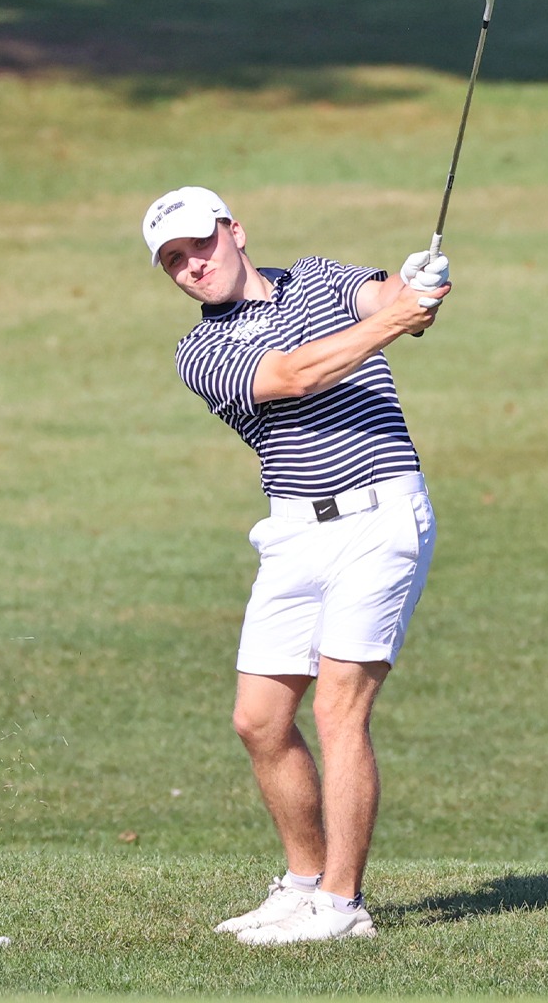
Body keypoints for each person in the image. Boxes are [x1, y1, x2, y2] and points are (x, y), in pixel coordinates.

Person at [141, 186, 451, 945]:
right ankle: (304, 883)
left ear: (234, 231)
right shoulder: (201, 352)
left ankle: (341, 908)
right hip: (290, 531)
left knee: (337, 709)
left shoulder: (315, 276)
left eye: (199, 245)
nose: (192, 266)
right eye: (174, 261)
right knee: (258, 720)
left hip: (380, 514)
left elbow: (390, 296)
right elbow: (294, 376)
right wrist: (393, 320)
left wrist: (420, 285)